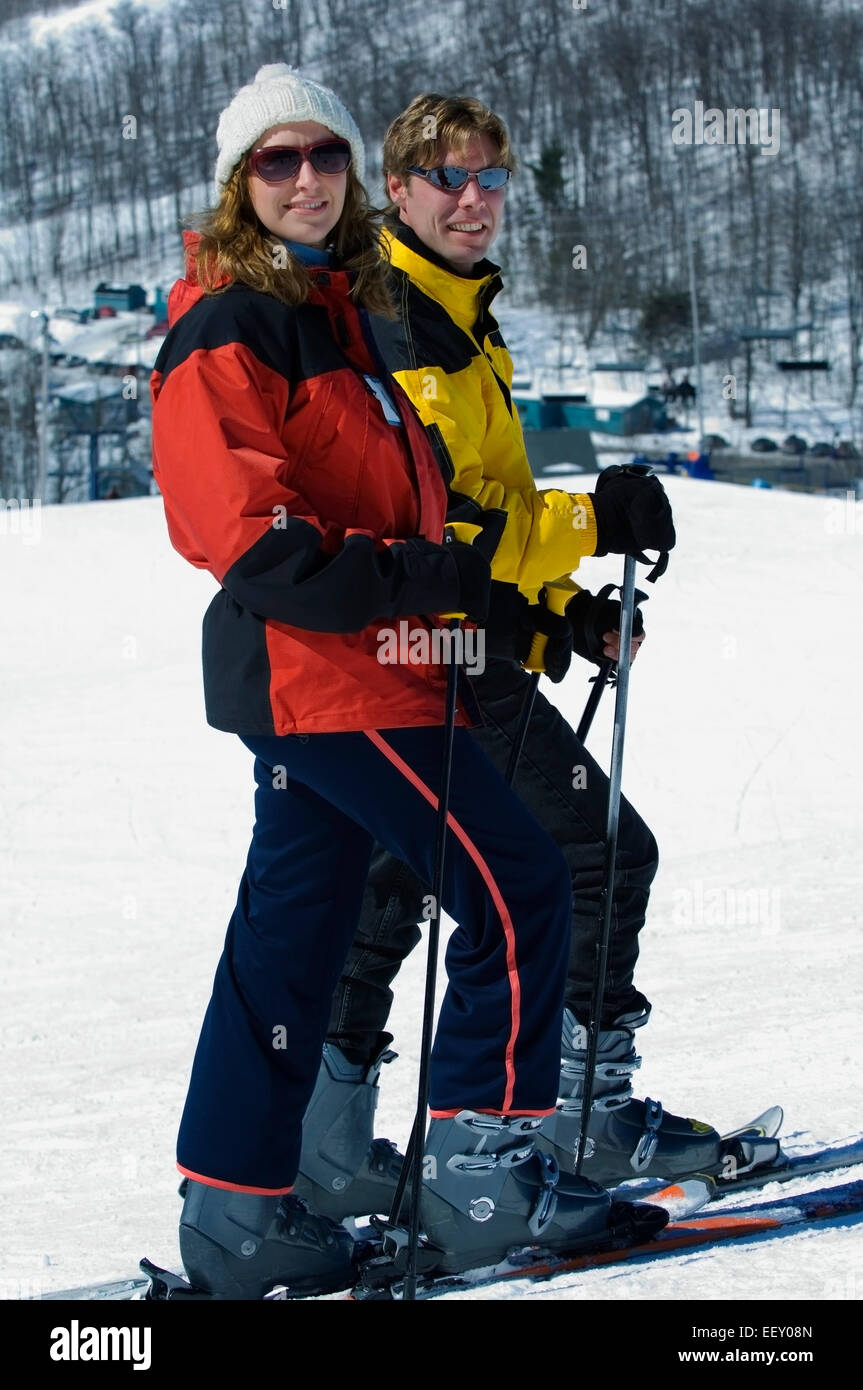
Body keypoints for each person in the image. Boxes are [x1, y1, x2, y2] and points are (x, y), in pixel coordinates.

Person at [149, 66, 668, 1299]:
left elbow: (421, 518)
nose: (304, 179)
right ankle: (480, 1171)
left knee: (295, 937)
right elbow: (255, 541)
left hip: (375, 668)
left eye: (318, 154)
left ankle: (237, 1208)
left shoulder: (334, 315)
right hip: (335, 679)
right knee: (518, 882)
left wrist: (528, 617)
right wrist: (425, 576)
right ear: (239, 182)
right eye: (276, 162)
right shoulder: (231, 325)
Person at [295, 93, 722, 1230]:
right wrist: (593, 523)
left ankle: (325, 1146)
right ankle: (572, 1110)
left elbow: (489, 520)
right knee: (593, 854)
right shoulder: (399, 324)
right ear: (399, 188)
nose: (474, 197)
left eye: (490, 177)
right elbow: (452, 529)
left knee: (392, 886)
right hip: (429, 652)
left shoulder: (459, 318)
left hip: (456, 643)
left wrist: (555, 620)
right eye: (449, 177)